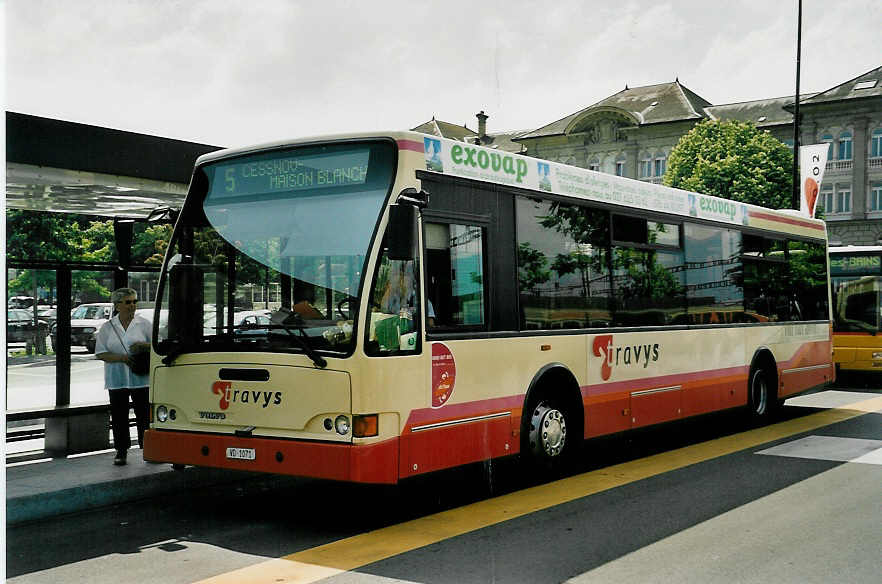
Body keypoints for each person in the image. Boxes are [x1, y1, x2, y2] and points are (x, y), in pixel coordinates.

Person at [95, 287, 151, 466]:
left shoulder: (144, 324)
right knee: (119, 416)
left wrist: (143, 346)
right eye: (128, 302)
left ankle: (148, 449)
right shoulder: (107, 327)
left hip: (141, 379)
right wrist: (123, 358)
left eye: (134, 301)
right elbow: (100, 353)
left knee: (144, 415)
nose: (132, 305)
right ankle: (121, 451)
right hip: (117, 379)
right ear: (117, 305)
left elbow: (157, 345)